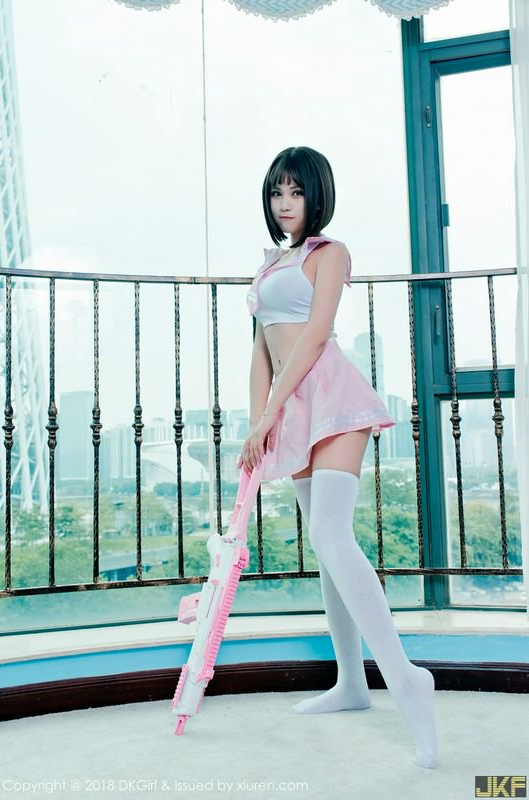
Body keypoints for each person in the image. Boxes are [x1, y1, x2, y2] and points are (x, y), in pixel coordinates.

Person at [236, 145, 438, 769]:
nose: (285, 202)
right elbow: (261, 352)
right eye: (277, 192)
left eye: (296, 191)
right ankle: (351, 682)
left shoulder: (331, 253)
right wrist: (258, 419)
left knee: (330, 533)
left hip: (330, 393)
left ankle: (405, 677)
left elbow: (317, 333)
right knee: (324, 546)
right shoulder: (270, 264)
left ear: (316, 195)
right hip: (290, 405)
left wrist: (271, 412)